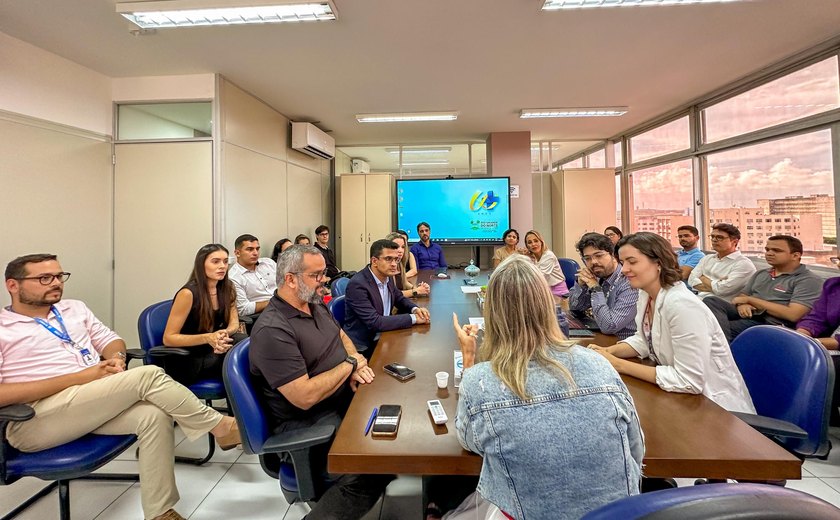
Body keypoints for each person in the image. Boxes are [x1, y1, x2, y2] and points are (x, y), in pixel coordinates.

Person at [1, 254, 241, 520]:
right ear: (13, 285)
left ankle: (160, 512)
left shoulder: (73, 309)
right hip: (35, 419)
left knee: (153, 415)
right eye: (44, 278)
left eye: (59, 276)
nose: (55, 283)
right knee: (147, 374)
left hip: (86, 402)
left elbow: (112, 340)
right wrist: (82, 377)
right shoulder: (3, 328)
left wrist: (115, 360)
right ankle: (221, 426)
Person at [448, 255, 643, 519]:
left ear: (492, 312)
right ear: (547, 305)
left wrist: (469, 360)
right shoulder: (599, 365)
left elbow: (470, 440)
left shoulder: (481, 382)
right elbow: (635, 448)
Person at [248, 245, 393, 520]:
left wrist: (355, 362)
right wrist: (349, 366)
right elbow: (304, 396)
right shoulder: (273, 329)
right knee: (373, 468)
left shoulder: (313, 304)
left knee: (393, 431)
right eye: (316, 275)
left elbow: (341, 336)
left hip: (340, 400)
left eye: (323, 273)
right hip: (309, 423)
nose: (324, 280)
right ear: (290, 279)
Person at [591, 232, 755, 413]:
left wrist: (617, 364)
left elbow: (688, 380)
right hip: (682, 399)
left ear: (659, 263)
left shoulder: (682, 306)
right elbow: (644, 339)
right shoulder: (646, 294)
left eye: (632, 262)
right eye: (623, 263)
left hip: (717, 410)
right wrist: (607, 352)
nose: (624, 270)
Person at [703, 235, 824, 342]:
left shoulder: (808, 280)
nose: (769, 253)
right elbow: (740, 298)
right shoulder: (762, 274)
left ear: (795, 255)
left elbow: (793, 315)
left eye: (776, 250)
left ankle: (721, 350)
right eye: (767, 249)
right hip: (749, 314)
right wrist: (743, 304)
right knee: (711, 301)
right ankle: (720, 345)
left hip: (770, 323)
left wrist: (752, 301)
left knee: (708, 330)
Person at [163, 244, 243, 386]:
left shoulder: (228, 288)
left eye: (225, 261)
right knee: (244, 359)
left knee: (245, 343)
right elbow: (169, 338)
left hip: (216, 348)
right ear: (201, 264)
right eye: (215, 261)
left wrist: (223, 334)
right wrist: (209, 338)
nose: (222, 266)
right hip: (191, 358)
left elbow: (234, 323)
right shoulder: (187, 294)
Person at [343, 239, 431, 353]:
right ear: (374, 261)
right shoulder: (358, 284)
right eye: (388, 259)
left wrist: (415, 309)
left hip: (384, 334)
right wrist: (414, 318)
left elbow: (398, 297)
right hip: (364, 345)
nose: (394, 264)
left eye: (396, 259)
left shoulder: (387, 276)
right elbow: (375, 322)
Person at [567, 232, 637, 339]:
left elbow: (609, 326)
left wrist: (595, 288)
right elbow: (575, 308)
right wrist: (581, 286)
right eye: (587, 258)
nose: (593, 262)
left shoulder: (628, 281)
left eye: (599, 255)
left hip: (624, 343)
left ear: (613, 255)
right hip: (601, 336)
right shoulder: (596, 276)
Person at [687, 223, 756, 301]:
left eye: (720, 237)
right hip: (698, 299)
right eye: (712, 237)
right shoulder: (707, 258)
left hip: (720, 306)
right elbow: (691, 280)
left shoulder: (743, 264)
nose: (714, 240)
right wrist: (715, 284)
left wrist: (702, 278)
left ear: (734, 241)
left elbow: (722, 290)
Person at [797, 256, 840, 350]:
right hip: (825, 345)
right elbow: (817, 318)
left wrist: (813, 343)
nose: (838, 265)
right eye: (839, 260)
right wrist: (800, 334)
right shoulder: (833, 285)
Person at [229, 233, 277, 317]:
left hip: (285, 306)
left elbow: (286, 283)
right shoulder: (234, 277)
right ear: (237, 253)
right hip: (263, 315)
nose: (255, 253)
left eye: (257, 249)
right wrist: (276, 301)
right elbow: (243, 309)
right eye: (250, 249)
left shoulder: (269, 263)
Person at [523, 230, 568, 299]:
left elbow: (538, 278)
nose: (533, 244)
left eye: (536, 241)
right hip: (544, 290)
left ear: (541, 242)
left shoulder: (548, 256)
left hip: (558, 293)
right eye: (529, 242)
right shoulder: (532, 257)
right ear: (527, 246)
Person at [386, 231, 429, 298]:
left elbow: (404, 283)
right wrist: (416, 291)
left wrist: (418, 288)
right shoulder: (386, 266)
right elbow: (392, 295)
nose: (400, 250)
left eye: (403, 247)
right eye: (396, 247)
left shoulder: (400, 263)